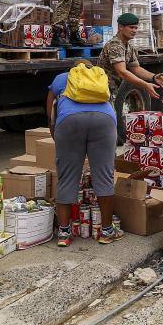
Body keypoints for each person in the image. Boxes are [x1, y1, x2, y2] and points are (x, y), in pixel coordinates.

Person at [47, 63, 122, 246]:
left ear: (72, 70)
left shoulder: (61, 78)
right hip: (104, 121)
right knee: (104, 176)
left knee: (66, 177)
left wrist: (57, 135)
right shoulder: (100, 76)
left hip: (69, 122)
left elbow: (50, 112)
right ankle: (107, 231)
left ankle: (64, 234)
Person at [97, 13, 163, 103]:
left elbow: (135, 68)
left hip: (114, 89)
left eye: (136, 28)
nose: (134, 30)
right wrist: (145, 84)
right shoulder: (115, 45)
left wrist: (153, 77)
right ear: (121, 27)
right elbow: (122, 72)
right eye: (131, 27)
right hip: (103, 89)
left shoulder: (128, 46)